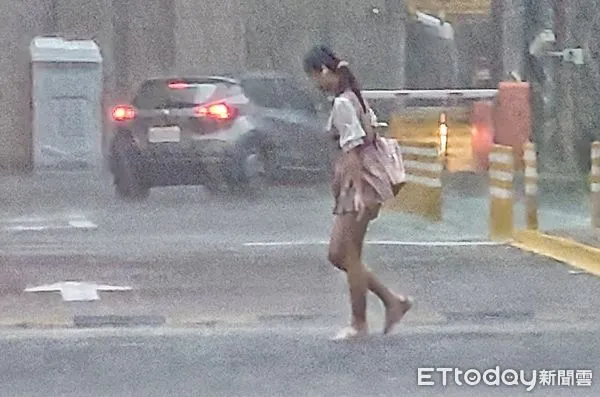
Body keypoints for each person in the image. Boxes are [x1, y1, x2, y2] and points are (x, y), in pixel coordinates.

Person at [303, 45, 413, 340]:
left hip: (359, 184)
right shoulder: (355, 97)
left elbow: (352, 150)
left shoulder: (342, 103)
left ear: (324, 71)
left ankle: (360, 322)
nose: (315, 83)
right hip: (366, 182)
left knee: (345, 254)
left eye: (315, 76)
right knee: (343, 254)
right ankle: (390, 302)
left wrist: (357, 192)